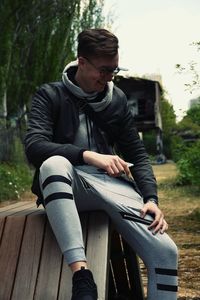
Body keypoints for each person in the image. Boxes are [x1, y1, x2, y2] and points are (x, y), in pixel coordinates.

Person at [24, 28, 178, 300]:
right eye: (104, 71)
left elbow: (138, 154)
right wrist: (87, 155)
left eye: (114, 71)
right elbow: (34, 147)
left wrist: (152, 198)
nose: (109, 79)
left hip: (113, 188)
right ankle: (82, 276)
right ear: (81, 62)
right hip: (70, 185)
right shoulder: (49, 95)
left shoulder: (116, 99)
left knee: (166, 252)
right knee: (52, 164)